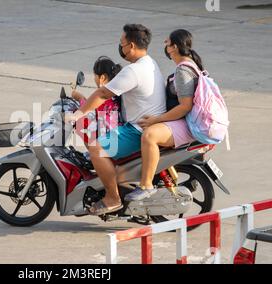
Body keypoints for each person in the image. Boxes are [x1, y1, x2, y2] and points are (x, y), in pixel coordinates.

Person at [67, 24, 166, 215]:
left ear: (130, 45)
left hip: (137, 130)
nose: (120, 48)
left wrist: (78, 114)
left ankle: (112, 198)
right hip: (144, 125)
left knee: (96, 148)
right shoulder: (150, 63)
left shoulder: (133, 71)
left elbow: (103, 93)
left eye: (121, 44)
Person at [125, 29, 200, 201]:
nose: (165, 46)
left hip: (188, 122)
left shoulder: (183, 70)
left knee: (149, 135)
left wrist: (156, 119)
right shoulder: (190, 64)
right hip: (189, 120)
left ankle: (146, 185)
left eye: (167, 43)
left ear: (174, 47)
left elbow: (185, 106)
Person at [72, 56, 123, 147]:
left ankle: (93, 154)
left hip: (106, 136)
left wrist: (80, 99)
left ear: (102, 77)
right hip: (116, 131)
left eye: (95, 76)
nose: (94, 79)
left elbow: (88, 111)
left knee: (80, 122)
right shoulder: (113, 93)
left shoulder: (103, 95)